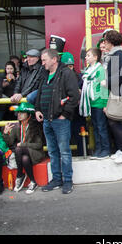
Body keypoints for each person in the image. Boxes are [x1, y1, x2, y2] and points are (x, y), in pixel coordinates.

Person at [35, 49, 80, 194]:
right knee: (53, 152)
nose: (42, 63)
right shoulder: (44, 74)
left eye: (44, 60)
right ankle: (56, 179)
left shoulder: (66, 73)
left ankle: (67, 181)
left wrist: (65, 114)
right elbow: (39, 93)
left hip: (60, 120)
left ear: (54, 60)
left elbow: (74, 97)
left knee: (64, 151)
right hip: (47, 119)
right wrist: (37, 109)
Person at [101, 30, 122, 164]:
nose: (104, 43)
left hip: (120, 94)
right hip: (118, 92)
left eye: (105, 41)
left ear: (109, 42)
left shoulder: (117, 55)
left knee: (113, 121)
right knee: (114, 121)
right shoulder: (117, 54)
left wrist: (107, 82)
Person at [3, 102, 44, 194]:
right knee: (24, 159)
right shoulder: (16, 126)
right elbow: (9, 143)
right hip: (23, 154)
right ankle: (33, 182)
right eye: (18, 112)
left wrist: (23, 145)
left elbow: (39, 145)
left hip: (36, 153)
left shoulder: (35, 126)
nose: (19, 114)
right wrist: (5, 133)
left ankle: (19, 175)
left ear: (28, 114)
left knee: (19, 149)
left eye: (22, 112)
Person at [79, 48, 110, 159]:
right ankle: (98, 149)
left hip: (99, 101)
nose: (86, 57)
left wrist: (105, 103)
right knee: (95, 127)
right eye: (86, 55)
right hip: (91, 102)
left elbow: (104, 86)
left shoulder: (99, 69)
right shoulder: (88, 69)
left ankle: (105, 149)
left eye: (89, 55)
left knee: (101, 127)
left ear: (96, 57)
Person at [61, 52, 88, 157]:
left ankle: (83, 153)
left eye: (71, 66)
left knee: (81, 135)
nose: (69, 69)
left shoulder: (80, 77)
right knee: (65, 137)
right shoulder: (58, 78)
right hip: (65, 112)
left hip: (77, 112)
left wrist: (80, 92)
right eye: (66, 66)